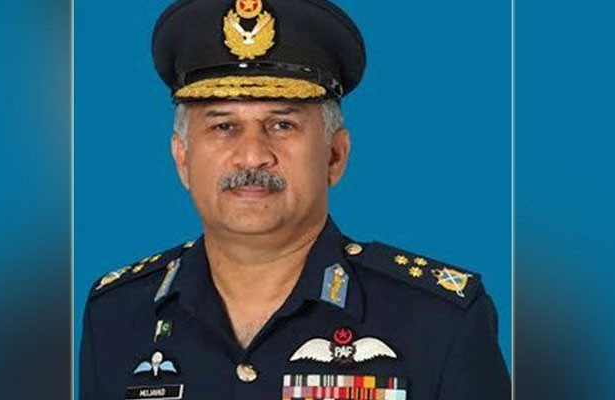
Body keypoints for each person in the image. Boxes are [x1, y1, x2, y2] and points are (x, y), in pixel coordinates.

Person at [79, 0, 511, 399]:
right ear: (182, 158)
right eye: (223, 126)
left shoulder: (439, 322)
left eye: (282, 125)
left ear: (334, 155)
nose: (252, 155)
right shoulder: (116, 316)